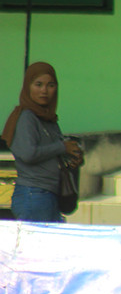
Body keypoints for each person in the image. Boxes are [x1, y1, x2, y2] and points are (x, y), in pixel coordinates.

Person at [2, 62, 82, 223]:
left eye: (50, 85)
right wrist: (62, 147)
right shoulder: (26, 117)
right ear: (28, 86)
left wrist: (72, 158)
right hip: (34, 195)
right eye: (38, 84)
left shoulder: (49, 119)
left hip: (49, 194)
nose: (44, 91)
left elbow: (51, 153)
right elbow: (28, 153)